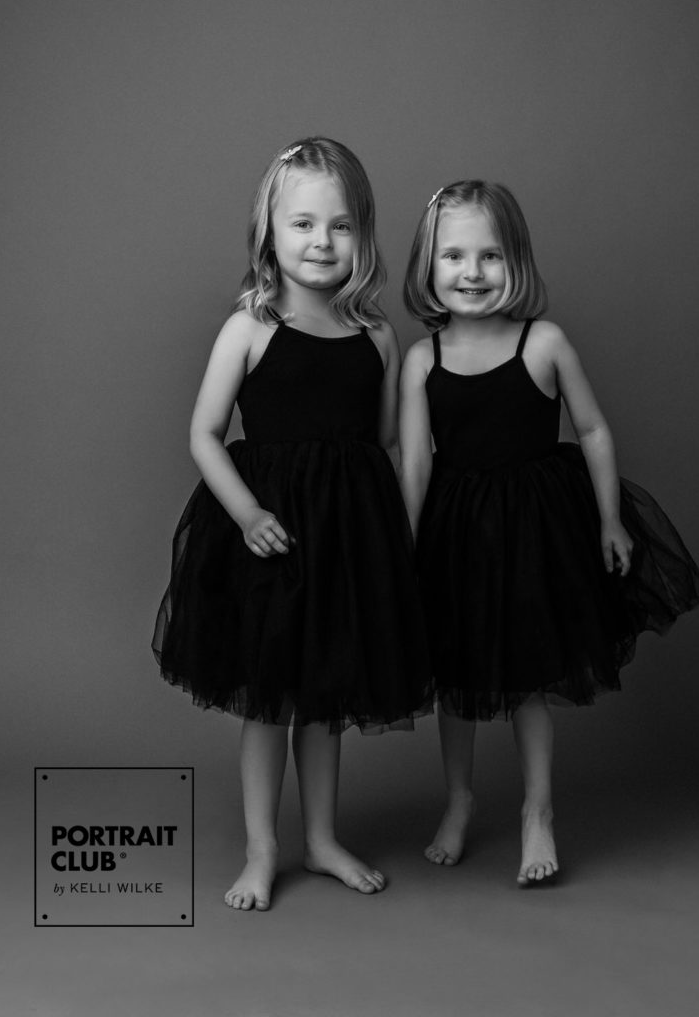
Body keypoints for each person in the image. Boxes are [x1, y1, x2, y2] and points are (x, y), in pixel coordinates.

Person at [399, 180, 699, 887]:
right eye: (453, 256)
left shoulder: (543, 342)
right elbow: (416, 463)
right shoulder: (423, 360)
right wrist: (406, 546)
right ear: (428, 265)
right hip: (455, 534)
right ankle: (458, 800)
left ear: (516, 263)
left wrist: (606, 517)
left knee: (529, 681)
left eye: (489, 256)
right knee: (455, 681)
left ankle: (536, 811)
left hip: (533, 532)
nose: (472, 273)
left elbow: (594, 429)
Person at [153, 137, 431, 911]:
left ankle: (321, 839)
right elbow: (204, 434)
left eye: (339, 227)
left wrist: (389, 528)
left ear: (363, 235)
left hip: (346, 537)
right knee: (269, 700)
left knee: (327, 697)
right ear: (268, 232)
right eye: (303, 224)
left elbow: (380, 443)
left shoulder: (377, 334)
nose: (321, 242)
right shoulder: (251, 326)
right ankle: (262, 848)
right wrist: (246, 514)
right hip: (269, 537)